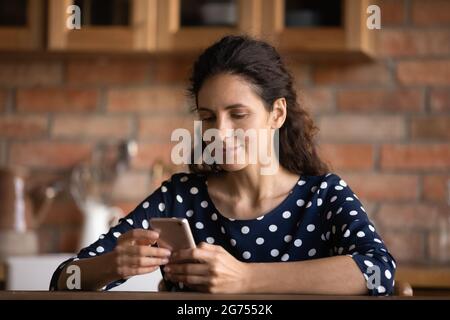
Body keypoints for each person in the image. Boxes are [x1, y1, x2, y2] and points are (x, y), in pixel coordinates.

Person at [50, 35, 396, 295]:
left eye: (238, 114)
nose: (221, 132)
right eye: (208, 117)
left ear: (276, 113)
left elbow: (378, 270)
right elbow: (64, 279)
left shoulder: (323, 196)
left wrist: (244, 278)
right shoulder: (180, 197)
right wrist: (113, 264)